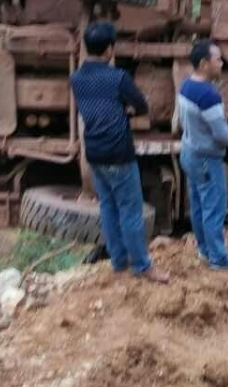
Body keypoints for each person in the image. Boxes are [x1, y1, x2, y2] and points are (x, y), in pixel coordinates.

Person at [70, 22, 169, 283]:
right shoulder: (118, 78)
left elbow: (95, 106)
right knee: (130, 211)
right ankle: (142, 265)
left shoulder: (76, 78)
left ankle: (118, 260)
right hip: (118, 152)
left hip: (94, 152)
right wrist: (127, 111)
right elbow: (142, 106)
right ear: (110, 49)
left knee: (108, 208)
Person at [177, 40, 228, 271]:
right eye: (217, 59)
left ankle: (204, 249)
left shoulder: (186, 86)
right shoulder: (209, 96)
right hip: (207, 158)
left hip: (189, 153)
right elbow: (220, 132)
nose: (221, 63)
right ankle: (218, 258)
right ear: (204, 64)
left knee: (198, 205)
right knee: (214, 207)